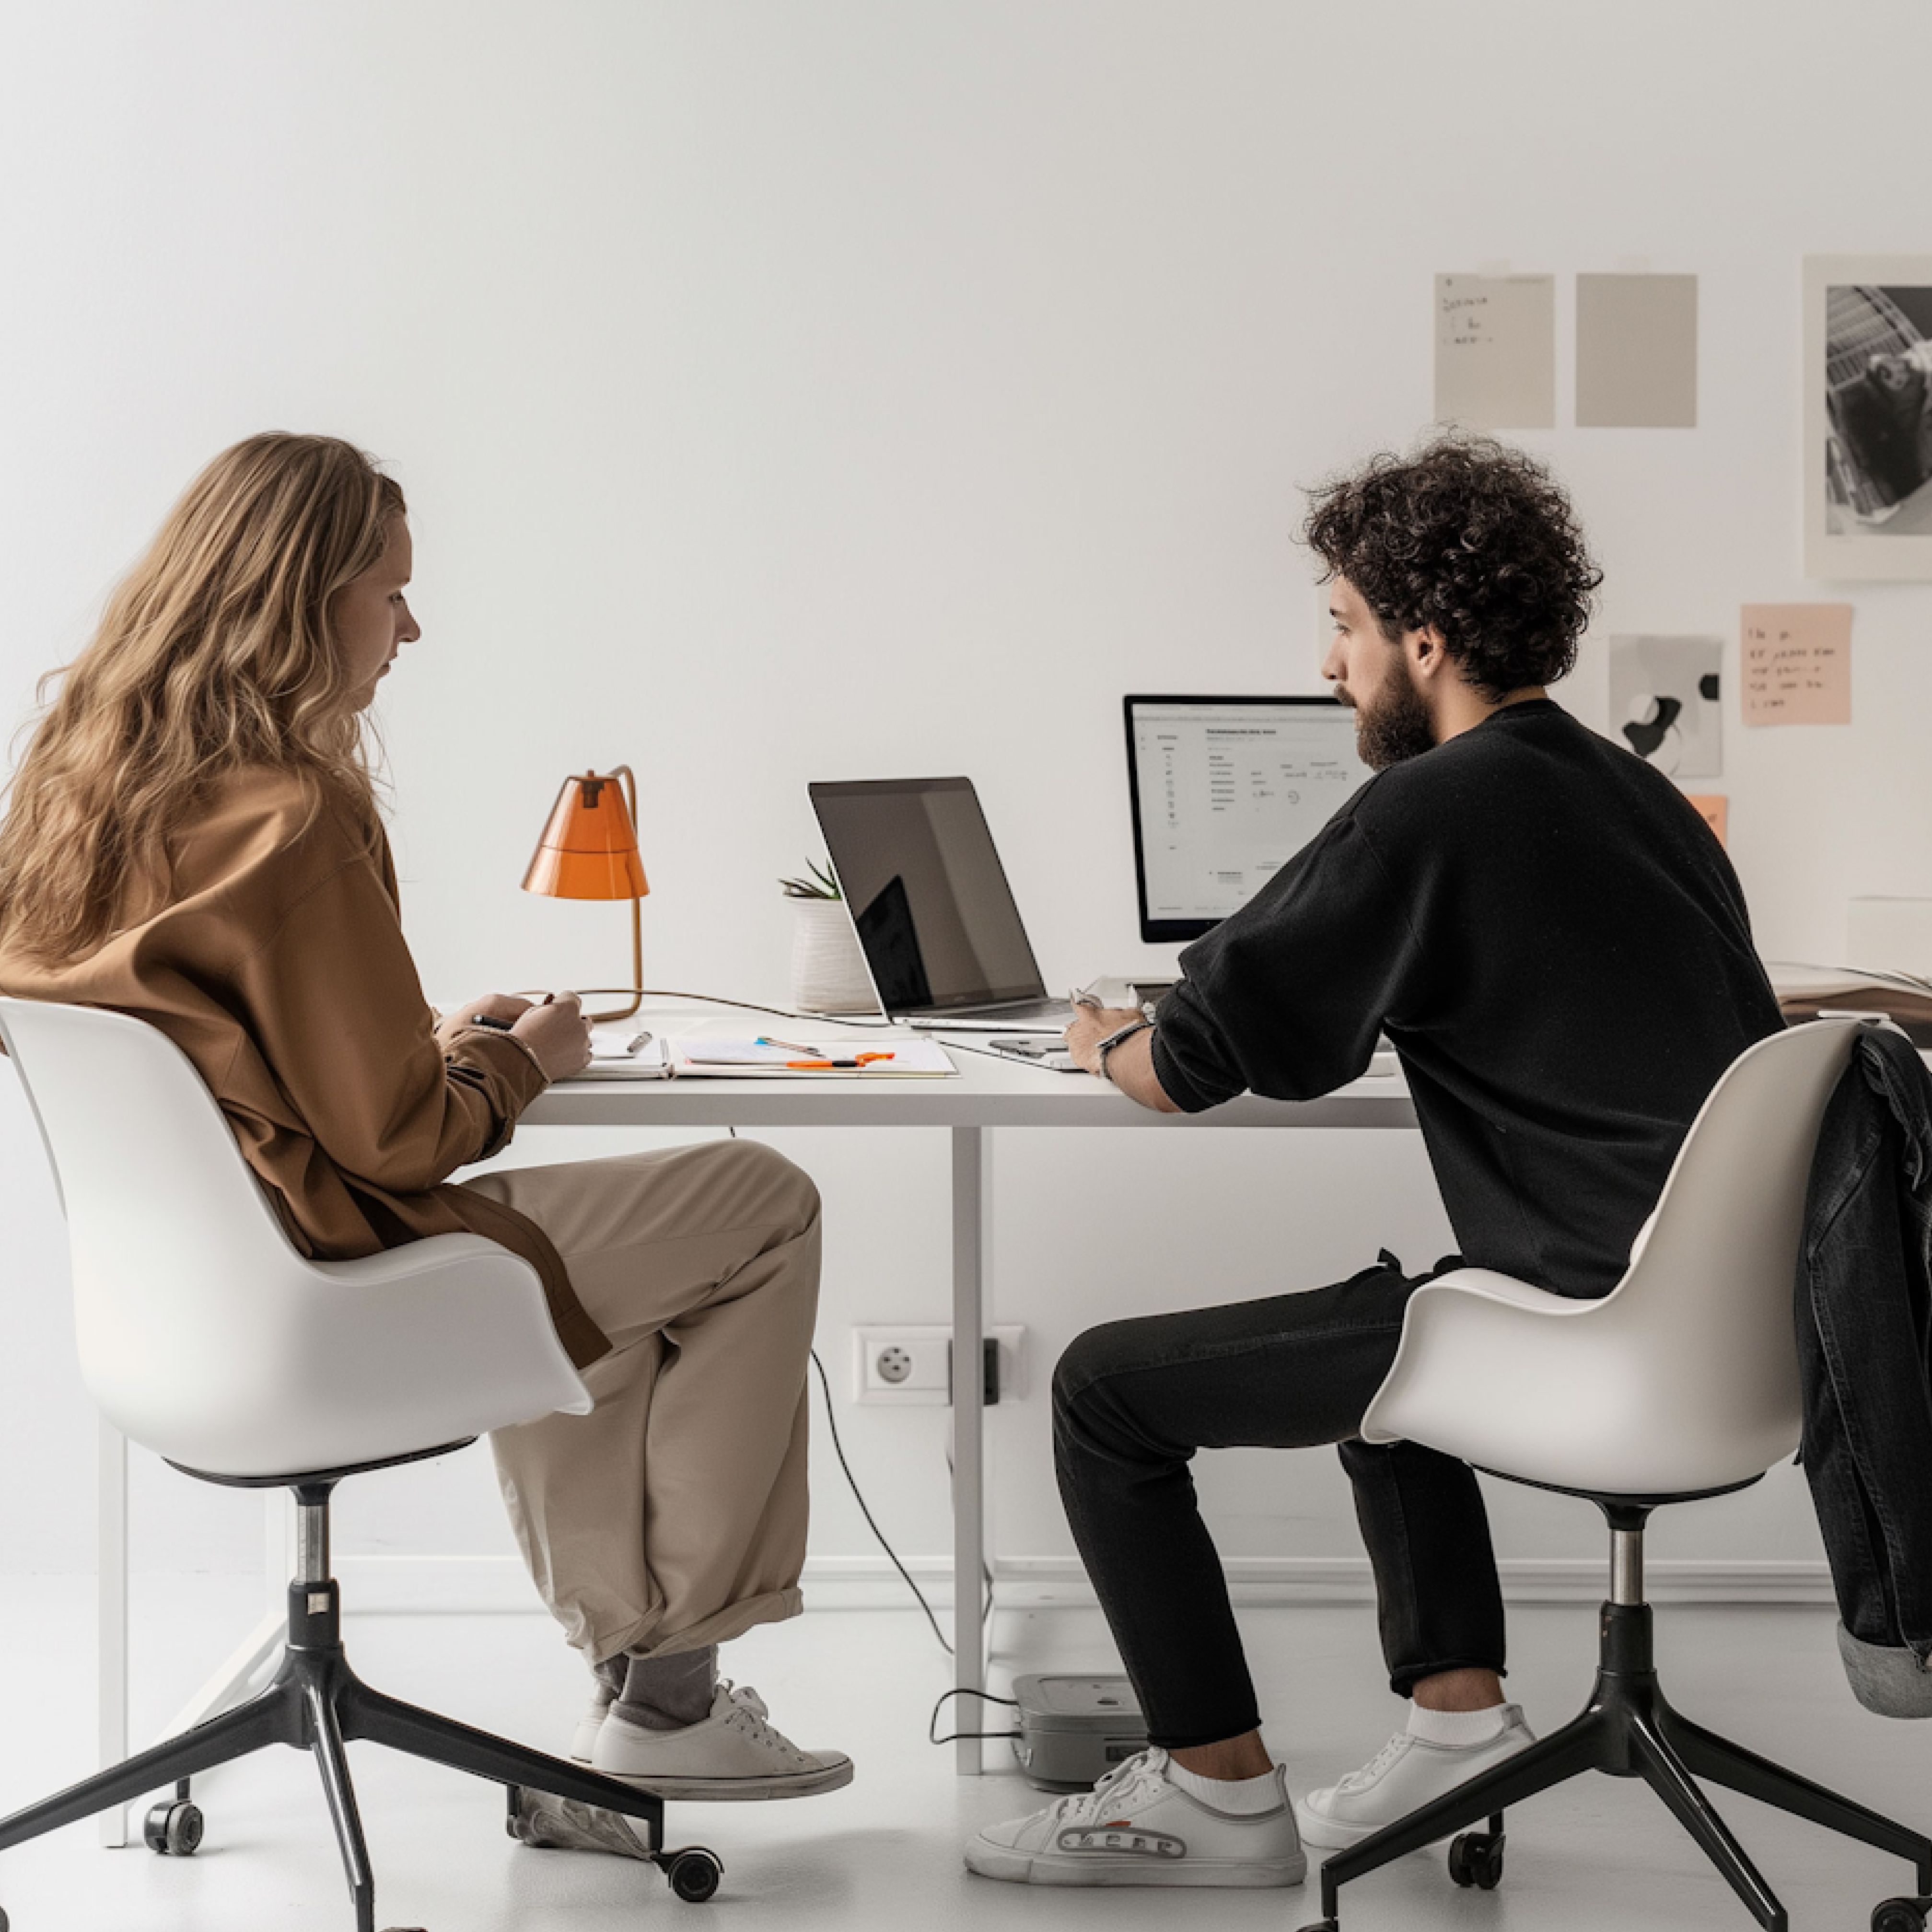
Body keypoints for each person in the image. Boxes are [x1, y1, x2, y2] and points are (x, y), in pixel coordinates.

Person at [964, 433, 1784, 1888]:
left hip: (1602, 1334)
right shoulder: (1633, 794)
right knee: (1401, 1330)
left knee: (1101, 1390)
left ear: (1422, 637)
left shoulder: (1432, 805)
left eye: (1342, 625)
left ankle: (1214, 1798)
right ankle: (1455, 1721)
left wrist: (1099, 1036)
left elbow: (1192, 1064)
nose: (1328, 665)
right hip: (1741, 1335)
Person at [0, 433, 850, 1804]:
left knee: (615, 1282)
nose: (411, 626)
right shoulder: (293, 816)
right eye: (389, 593)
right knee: (760, 1205)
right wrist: (525, 1063)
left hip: (182, 1300)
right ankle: (669, 1697)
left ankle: (638, 1702)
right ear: (300, 599)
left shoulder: (75, 788)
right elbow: (402, 1142)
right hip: (345, 1257)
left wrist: (436, 1044)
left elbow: (217, 1053)